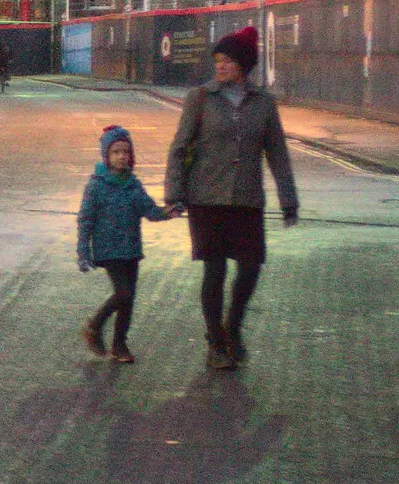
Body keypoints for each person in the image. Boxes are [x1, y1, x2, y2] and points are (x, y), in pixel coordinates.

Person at [165, 25, 299, 369]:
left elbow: (278, 154)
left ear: (242, 63)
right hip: (206, 197)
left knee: (251, 267)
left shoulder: (264, 104)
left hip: (246, 198)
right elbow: (179, 148)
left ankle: (233, 328)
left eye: (226, 60)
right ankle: (215, 344)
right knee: (214, 271)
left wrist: (288, 200)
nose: (220, 65)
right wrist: (174, 194)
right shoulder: (201, 98)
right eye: (218, 60)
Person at [78, 126, 179, 364]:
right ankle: (94, 326)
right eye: (115, 152)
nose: (121, 156)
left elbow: (149, 210)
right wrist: (83, 250)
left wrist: (168, 212)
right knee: (123, 293)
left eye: (125, 151)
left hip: (131, 249)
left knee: (128, 298)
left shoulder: (134, 185)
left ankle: (119, 344)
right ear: (106, 156)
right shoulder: (97, 185)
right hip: (108, 249)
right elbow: (85, 218)